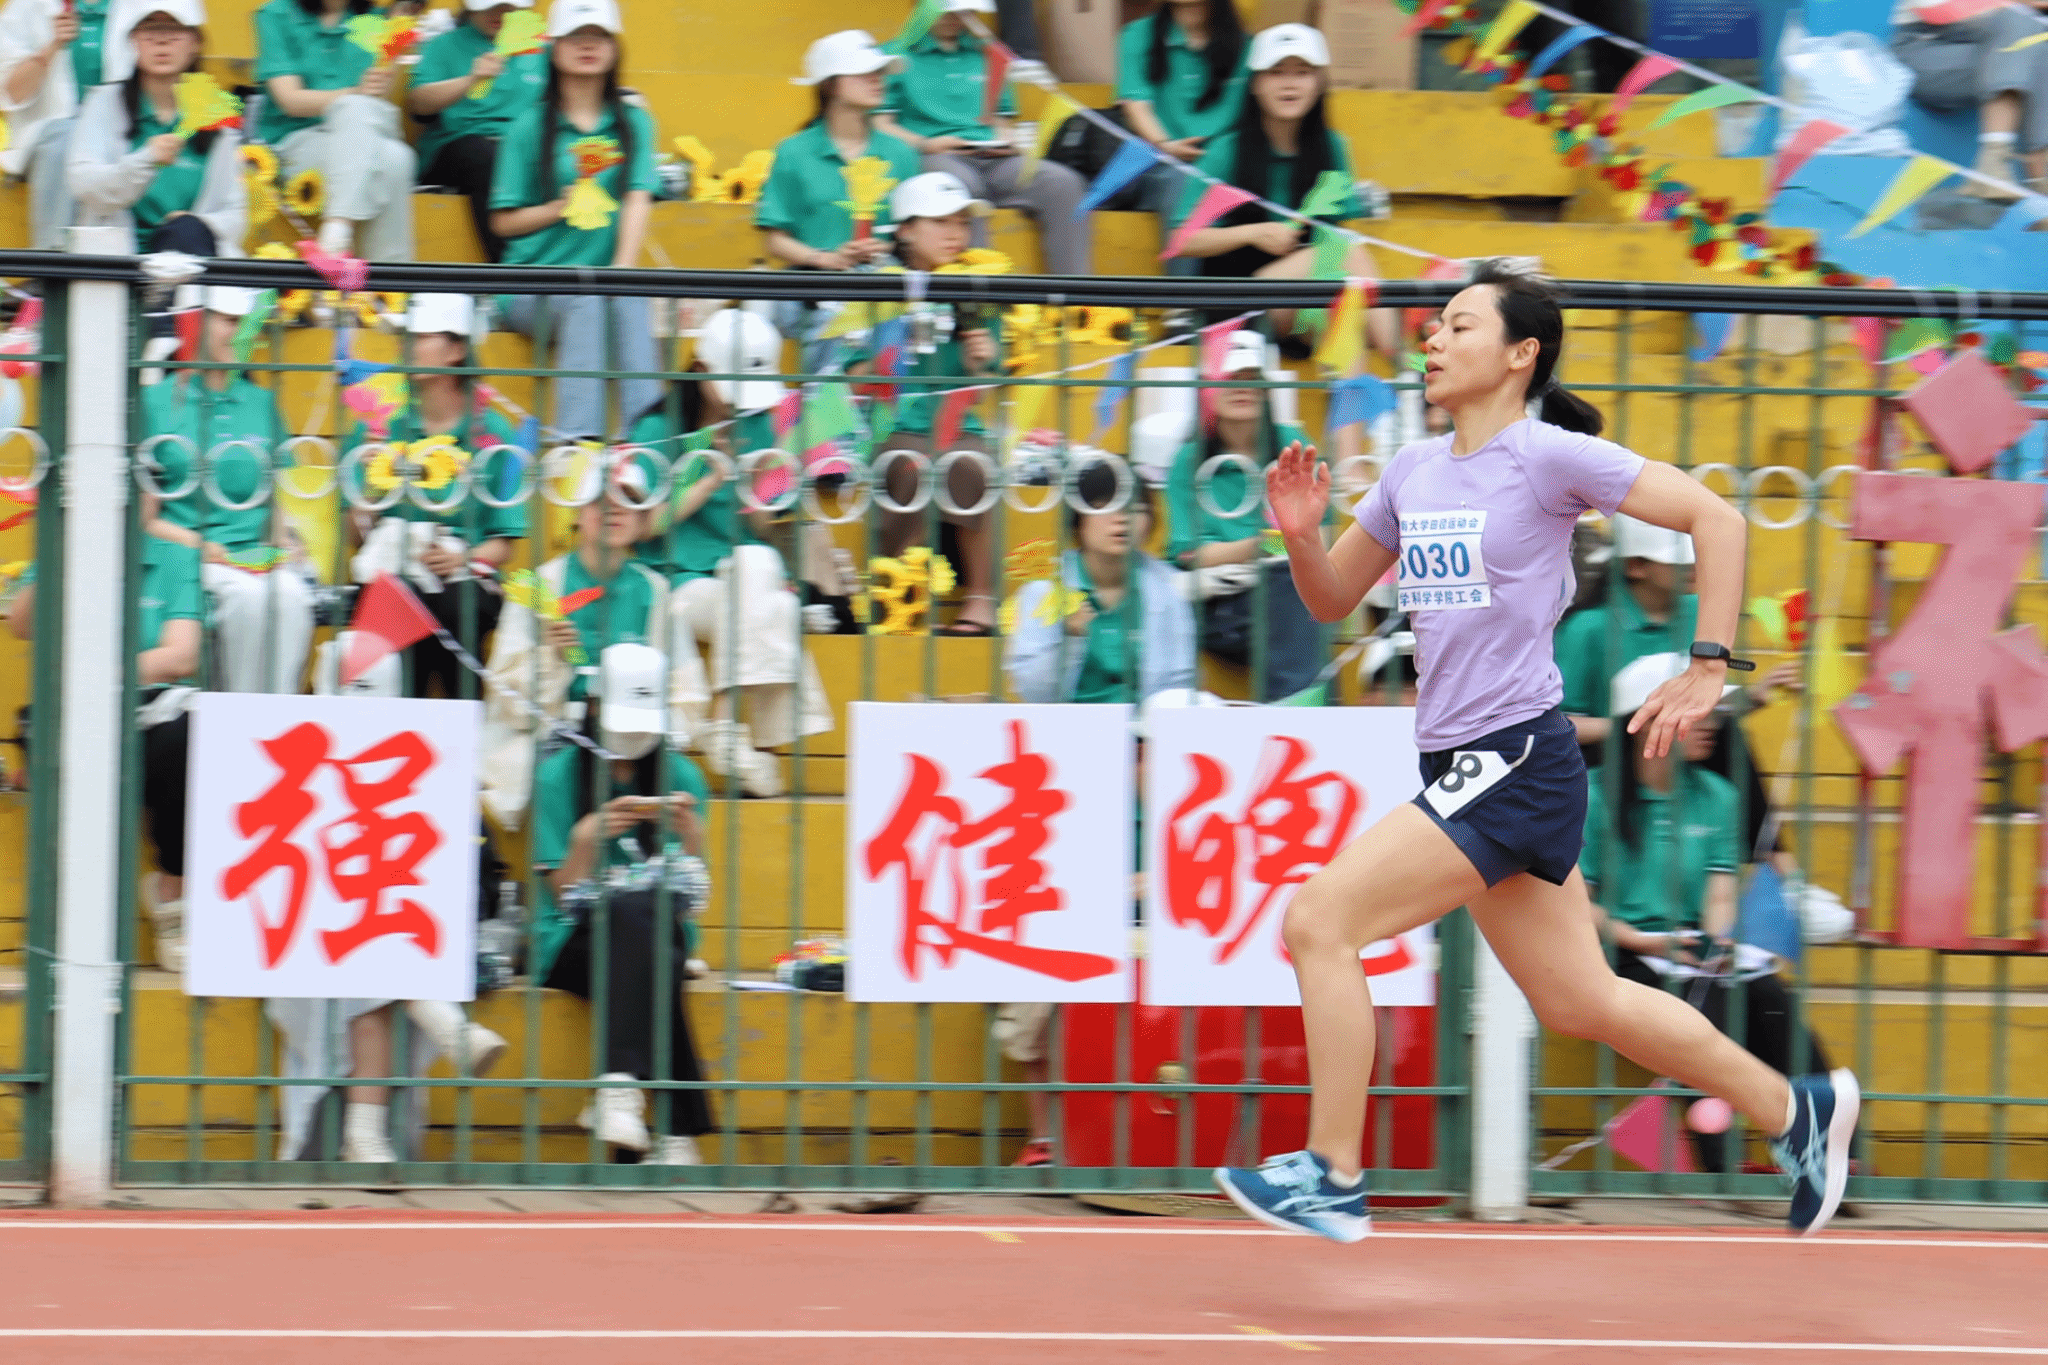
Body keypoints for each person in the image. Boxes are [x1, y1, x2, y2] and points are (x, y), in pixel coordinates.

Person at [1211, 260, 1860, 1242]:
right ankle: (1794, 1109)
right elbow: (1331, 599)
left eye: (1458, 325)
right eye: (1434, 325)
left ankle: (1331, 1173)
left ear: (1521, 354)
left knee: (1319, 922)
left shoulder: (1547, 456)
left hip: (1513, 756)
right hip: (1461, 763)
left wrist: (1707, 665)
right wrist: (1301, 536)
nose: (1434, 339)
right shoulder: (1411, 471)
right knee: (1580, 998)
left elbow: (1716, 517)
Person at [1585, 652, 1833, 1173]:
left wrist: (1719, 944)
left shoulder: (1717, 795)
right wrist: (1646, 941)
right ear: (1646, 720)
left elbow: (1719, 896)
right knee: (1703, 1015)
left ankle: (1829, 1153)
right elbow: (1577, 907)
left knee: (1772, 1002)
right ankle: (1722, 1166)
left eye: (1714, 712)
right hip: (1623, 953)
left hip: (1689, 949)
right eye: (1698, 713)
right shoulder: (1591, 796)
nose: (1713, 724)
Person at [627, 311, 833, 799]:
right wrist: (708, 478)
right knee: (775, 604)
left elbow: (763, 530)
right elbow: (643, 525)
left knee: (761, 571)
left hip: (739, 581)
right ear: (700, 371)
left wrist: (762, 489)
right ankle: (751, 739)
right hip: (676, 583)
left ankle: (725, 727)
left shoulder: (762, 428)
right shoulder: (659, 428)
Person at [531, 643, 716, 1165]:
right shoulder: (557, 777)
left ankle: (618, 1091)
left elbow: (687, 898)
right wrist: (585, 842)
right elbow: (562, 898)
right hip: (574, 939)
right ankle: (675, 1134)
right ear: (592, 707)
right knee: (647, 943)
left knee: (644, 922)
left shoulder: (683, 778)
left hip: (658, 932)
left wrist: (692, 841)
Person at [9, 493, 201, 970]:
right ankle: (69, 918)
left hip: (147, 707)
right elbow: (22, 624)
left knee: (188, 738)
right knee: (64, 743)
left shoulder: (175, 558)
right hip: (71, 709)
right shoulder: (66, 550)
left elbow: (181, 655)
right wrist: (63, 549)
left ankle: (172, 891)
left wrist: (102, 673)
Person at [1556, 511, 1796, 851]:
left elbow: (1705, 710)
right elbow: (1553, 725)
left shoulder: (1699, 612)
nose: (1693, 565)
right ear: (1636, 566)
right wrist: (1633, 725)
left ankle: (1774, 862)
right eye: (1678, 560)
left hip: (1678, 744)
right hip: (1612, 755)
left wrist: (1756, 696)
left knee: (1729, 736)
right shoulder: (1588, 629)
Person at [489, 0, 659, 442]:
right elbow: (503, 223)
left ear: (614, 48)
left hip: (599, 281)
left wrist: (623, 269)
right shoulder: (528, 126)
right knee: (588, 296)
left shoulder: (636, 123)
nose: (588, 44)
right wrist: (556, 208)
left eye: (599, 35)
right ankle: (577, 445)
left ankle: (649, 443)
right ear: (555, 47)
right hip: (530, 284)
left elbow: (638, 198)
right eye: (575, 35)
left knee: (627, 296)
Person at [345, 291, 527, 699]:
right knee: (399, 601)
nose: (407, 345)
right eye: (405, 335)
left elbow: (504, 541)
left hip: (463, 579)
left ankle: (459, 722)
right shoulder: (377, 425)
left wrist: (462, 558)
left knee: (455, 606)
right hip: (394, 573)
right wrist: (372, 485)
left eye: (421, 336)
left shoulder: (494, 432)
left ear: (456, 349)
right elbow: (355, 536)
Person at [1169, 24, 1393, 353]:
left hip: (1302, 300)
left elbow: (1332, 231)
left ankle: (1377, 383)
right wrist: (1252, 233)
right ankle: (1408, 371)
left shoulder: (1333, 147)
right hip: (1236, 306)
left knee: (1342, 306)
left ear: (1319, 83)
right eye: (1276, 72)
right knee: (1349, 254)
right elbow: (1182, 239)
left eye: (1303, 72)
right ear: (1256, 83)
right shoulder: (1227, 151)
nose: (1290, 84)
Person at [481, 449, 671, 829]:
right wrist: (550, 658)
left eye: (628, 501)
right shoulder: (539, 586)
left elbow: (682, 690)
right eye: (600, 500)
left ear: (642, 518)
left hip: (635, 735)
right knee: (547, 774)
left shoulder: (656, 591)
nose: (614, 511)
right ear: (579, 513)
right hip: (557, 728)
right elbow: (504, 699)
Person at [138, 284, 314, 695]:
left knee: (292, 597)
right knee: (247, 600)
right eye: (230, 321)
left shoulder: (263, 403)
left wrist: (287, 542)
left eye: (246, 322)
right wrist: (199, 545)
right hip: (188, 558)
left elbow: (273, 502)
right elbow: (145, 520)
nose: (242, 332)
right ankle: (243, 718)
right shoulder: (154, 403)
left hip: (256, 559)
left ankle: (275, 718)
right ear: (195, 323)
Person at [849, 170, 1001, 636]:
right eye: (940, 222)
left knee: (972, 463)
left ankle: (981, 598)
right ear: (905, 230)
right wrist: (894, 348)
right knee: (911, 462)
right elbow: (851, 379)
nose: (955, 234)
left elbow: (984, 391)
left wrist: (981, 363)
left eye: (962, 223)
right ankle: (897, 592)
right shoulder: (877, 286)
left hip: (958, 425)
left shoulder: (978, 288)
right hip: (890, 423)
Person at [1163, 330, 1327, 702]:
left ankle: (1298, 711)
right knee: (1291, 586)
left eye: (1253, 377)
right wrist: (1263, 545)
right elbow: (1188, 555)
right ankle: (1302, 712)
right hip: (1221, 605)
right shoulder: (1189, 459)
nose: (1243, 388)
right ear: (1209, 391)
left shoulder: (1293, 444)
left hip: (1290, 592)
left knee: (1294, 586)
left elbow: (1321, 538)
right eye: (1231, 378)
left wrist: (1278, 546)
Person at [875, 0, 1092, 276]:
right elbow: (880, 125)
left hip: (995, 158)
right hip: (937, 155)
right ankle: (979, 291)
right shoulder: (894, 55)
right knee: (961, 188)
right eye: (947, 10)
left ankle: (1074, 294)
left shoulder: (990, 54)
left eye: (964, 10)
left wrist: (1007, 142)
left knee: (1064, 184)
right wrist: (927, 145)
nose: (955, 17)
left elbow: (1001, 121)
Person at [759, 29, 922, 365]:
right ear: (831, 85)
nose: (877, 79)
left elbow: (913, 232)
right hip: (816, 288)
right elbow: (774, 239)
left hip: (883, 287)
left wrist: (886, 247)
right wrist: (826, 259)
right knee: (837, 318)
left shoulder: (901, 154)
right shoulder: (793, 152)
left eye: (879, 72)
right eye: (863, 72)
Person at [67, 0, 245, 256]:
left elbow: (234, 213)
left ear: (195, 42)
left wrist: (195, 224)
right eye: (150, 29)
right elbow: (84, 185)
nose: (162, 41)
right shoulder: (103, 103)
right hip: (118, 263)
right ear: (133, 40)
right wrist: (145, 160)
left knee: (186, 232)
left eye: (175, 29)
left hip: (190, 259)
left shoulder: (216, 112)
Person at [1009, 466, 1195, 706]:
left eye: (1135, 508)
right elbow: (1033, 694)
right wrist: (1069, 639)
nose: (1121, 519)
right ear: (1078, 520)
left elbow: (1179, 688)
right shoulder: (1044, 590)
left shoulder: (1170, 587)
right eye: (1104, 506)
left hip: (1145, 726)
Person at [253, 0, 417, 260]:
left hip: (361, 138)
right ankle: (350, 244)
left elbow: (377, 101)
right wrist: (355, 94)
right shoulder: (277, 14)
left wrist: (392, 56)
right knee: (365, 120)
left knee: (397, 157)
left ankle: (356, 255)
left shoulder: (377, 21)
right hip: (296, 141)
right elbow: (290, 101)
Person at [409, 0, 549, 261]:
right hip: (458, 146)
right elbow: (419, 104)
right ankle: (510, 269)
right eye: (489, 6)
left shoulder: (541, 49)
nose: (498, 13)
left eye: (507, 6)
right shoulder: (443, 45)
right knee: (486, 155)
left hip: (520, 147)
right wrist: (472, 79)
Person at [1116, 0, 1246, 238]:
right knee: (1181, 181)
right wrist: (1166, 145)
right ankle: (1184, 262)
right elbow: (1135, 105)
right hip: (1160, 162)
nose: (1189, 7)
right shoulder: (1138, 34)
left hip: (1224, 163)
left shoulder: (1246, 45)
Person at [1893, 0, 2048, 198]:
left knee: (2038, 50)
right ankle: (1992, 166)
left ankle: (2041, 184)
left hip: (1988, 58)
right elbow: (1936, 11)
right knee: (2021, 28)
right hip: (1923, 52)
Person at [0, 0, 108, 250]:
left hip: (112, 135)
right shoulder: (27, 6)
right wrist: (53, 45)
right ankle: (52, 257)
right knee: (67, 137)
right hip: (48, 139)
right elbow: (13, 93)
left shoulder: (130, 7)